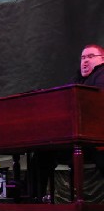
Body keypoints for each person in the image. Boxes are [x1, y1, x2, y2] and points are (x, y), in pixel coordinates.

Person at [31, 44, 104, 199]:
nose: (85, 61)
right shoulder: (77, 80)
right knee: (42, 153)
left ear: (102, 59)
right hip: (74, 138)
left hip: (96, 138)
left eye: (90, 57)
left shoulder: (101, 75)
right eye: (83, 57)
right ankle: (32, 199)